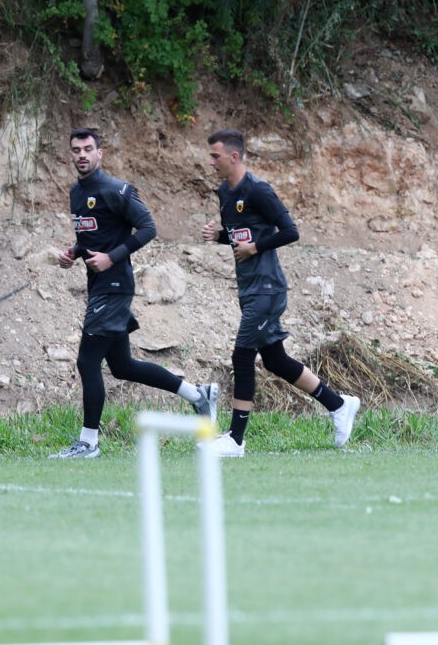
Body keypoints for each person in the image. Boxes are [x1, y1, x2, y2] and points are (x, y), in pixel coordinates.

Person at [50, 127, 219, 459]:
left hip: (115, 286)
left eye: (88, 149)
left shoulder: (116, 190)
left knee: (87, 361)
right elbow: (90, 238)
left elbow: (148, 228)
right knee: (122, 366)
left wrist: (111, 258)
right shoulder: (76, 192)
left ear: (100, 153)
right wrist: (73, 253)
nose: (82, 155)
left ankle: (88, 443)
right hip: (99, 287)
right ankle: (198, 395)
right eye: (76, 150)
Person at [201, 128, 360, 457]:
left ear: (234, 156)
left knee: (242, 356)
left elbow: (290, 232)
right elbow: (241, 236)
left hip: (268, 289)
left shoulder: (258, 191)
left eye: (216, 156)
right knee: (275, 360)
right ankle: (338, 404)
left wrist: (256, 247)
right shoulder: (224, 193)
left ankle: (235, 440)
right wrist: (220, 236)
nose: (211, 161)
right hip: (248, 289)